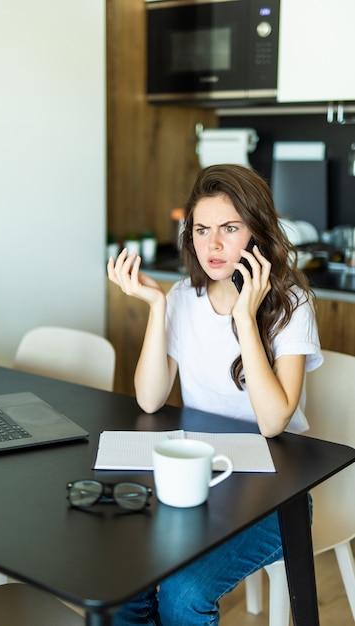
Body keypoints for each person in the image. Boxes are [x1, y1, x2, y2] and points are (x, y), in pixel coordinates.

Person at [107, 164, 323, 625]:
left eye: (230, 228)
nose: (214, 245)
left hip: (278, 491)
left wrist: (245, 318)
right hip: (203, 475)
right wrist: (158, 305)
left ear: (257, 233)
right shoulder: (184, 297)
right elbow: (149, 398)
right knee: (121, 578)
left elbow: (272, 422)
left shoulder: (292, 305)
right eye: (202, 230)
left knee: (184, 594)